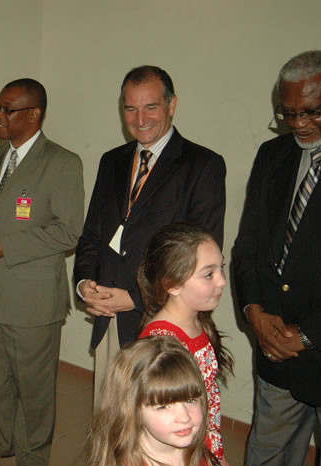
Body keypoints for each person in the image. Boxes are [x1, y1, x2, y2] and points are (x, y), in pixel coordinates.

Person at [232, 50, 321, 466]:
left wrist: (309, 334)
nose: (299, 124)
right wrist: (255, 312)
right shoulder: (273, 155)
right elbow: (249, 247)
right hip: (274, 348)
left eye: (313, 111)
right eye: (288, 113)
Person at [73, 65, 226, 405]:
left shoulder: (202, 166)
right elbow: (93, 234)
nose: (140, 119)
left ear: (171, 105)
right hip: (109, 323)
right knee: (111, 424)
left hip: (162, 323)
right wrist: (84, 283)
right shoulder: (111, 161)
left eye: (151, 107)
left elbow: (201, 258)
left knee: (156, 433)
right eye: (130, 108)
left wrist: (136, 297)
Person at [0, 78, 85, 466]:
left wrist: (4, 246)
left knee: (34, 390)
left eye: (7, 109)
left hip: (33, 301)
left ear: (34, 114)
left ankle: (32, 465)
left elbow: (69, 231)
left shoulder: (63, 162)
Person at [137, 222, 235, 466]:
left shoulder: (198, 322)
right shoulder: (163, 343)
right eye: (208, 274)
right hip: (176, 461)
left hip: (199, 448)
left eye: (221, 268)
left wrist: (216, 455)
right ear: (172, 285)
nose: (222, 281)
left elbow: (208, 402)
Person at [88, 335, 222, 466]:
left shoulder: (198, 450)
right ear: (132, 410)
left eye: (190, 400)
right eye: (163, 406)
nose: (184, 417)